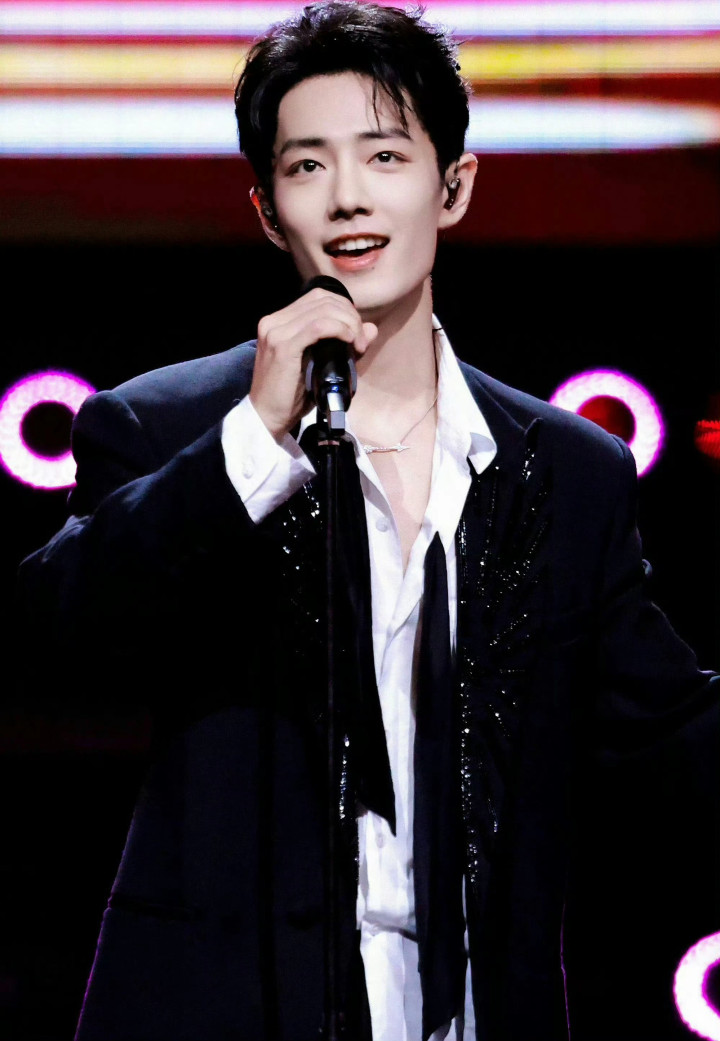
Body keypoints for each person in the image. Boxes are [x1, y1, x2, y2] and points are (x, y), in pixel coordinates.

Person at [16, 3, 718, 1040]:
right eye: (307, 166)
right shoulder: (165, 429)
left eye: (384, 155)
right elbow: (57, 631)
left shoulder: (568, 470)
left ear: (454, 185)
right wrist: (256, 440)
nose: (348, 196)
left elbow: (671, 738)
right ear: (266, 210)